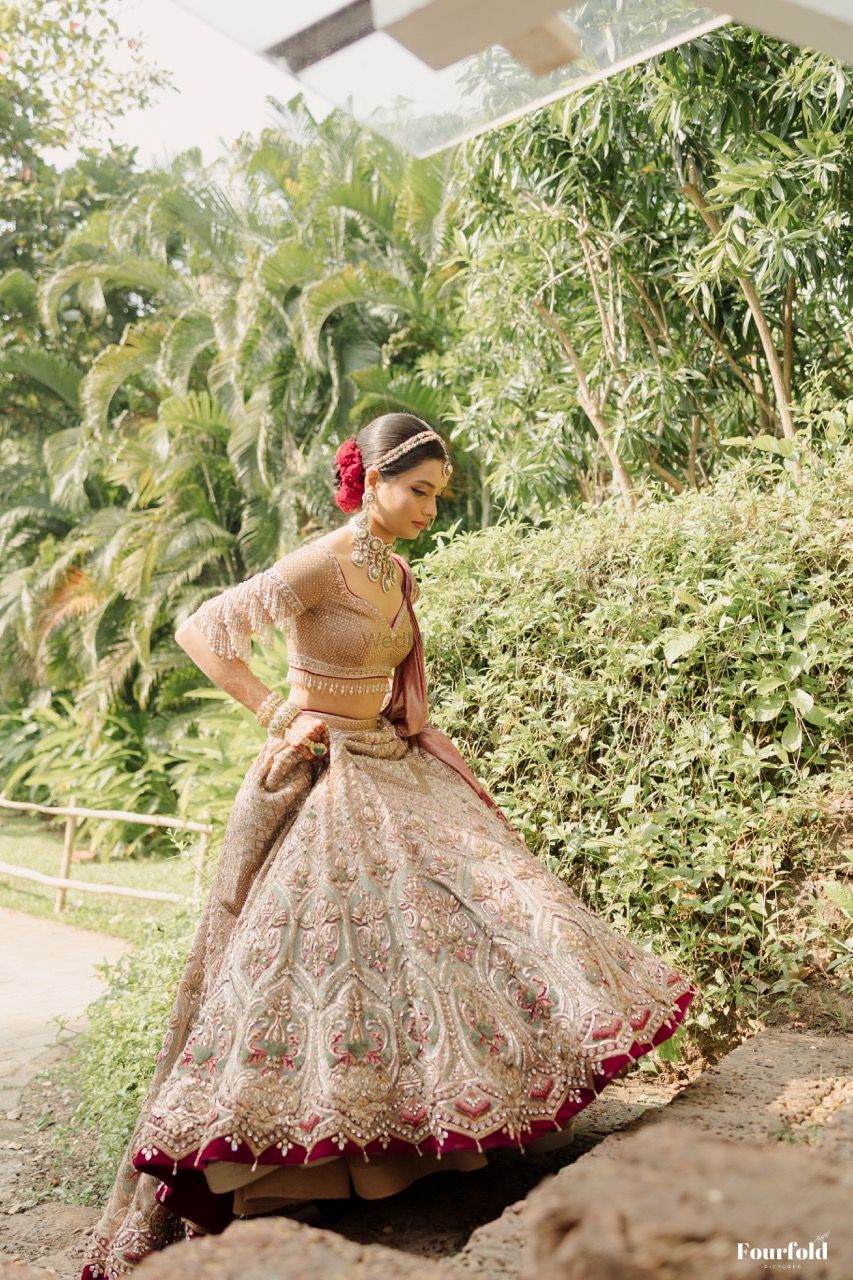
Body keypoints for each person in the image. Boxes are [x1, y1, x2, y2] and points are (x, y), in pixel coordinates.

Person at [80, 413, 697, 1278]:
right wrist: (274, 712)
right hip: (319, 776)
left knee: (462, 920)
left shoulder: (394, 572)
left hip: (388, 761)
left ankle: (425, 1147)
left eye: (439, 495)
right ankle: (286, 1171)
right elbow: (201, 631)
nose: (430, 509)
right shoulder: (320, 563)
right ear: (370, 482)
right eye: (420, 491)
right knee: (313, 964)